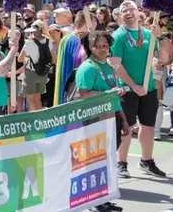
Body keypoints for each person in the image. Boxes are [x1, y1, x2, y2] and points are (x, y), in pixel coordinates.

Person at [110, 0, 169, 178]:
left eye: (131, 9)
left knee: (148, 127)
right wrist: (133, 86)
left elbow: (164, 58)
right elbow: (116, 66)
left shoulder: (149, 35)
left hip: (148, 89)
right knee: (125, 128)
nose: (128, 12)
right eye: (124, 10)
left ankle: (147, 161)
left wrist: (161, 37)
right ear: (121, 15)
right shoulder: (118, 36)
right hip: (126, 90)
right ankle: (121, 163)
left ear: (138, 12)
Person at [75, 31, 130, 212]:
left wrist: (123, 120)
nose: (102, 49)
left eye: (105, 45)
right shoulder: (88, 68)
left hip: (111, 119)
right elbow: (83, 95)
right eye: (97, 46)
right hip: (93, 121)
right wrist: (109, 93)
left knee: (107, 160)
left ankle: (103, 198)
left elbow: (114, 98)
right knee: (95, 161)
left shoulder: (108, 67)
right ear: (90, 48)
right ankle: (94, 201)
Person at [19, 21, 55, 111]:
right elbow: (54, 59)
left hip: (31, 74)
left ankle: (33, 121)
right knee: (37, 98)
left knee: (31, 100)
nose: (32, 33)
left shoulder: (29, 43)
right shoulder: (48, 42)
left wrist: (27, 58)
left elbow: (19, 59)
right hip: (43, 74)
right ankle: (40, 119)